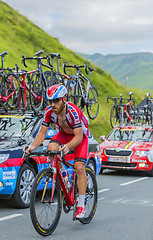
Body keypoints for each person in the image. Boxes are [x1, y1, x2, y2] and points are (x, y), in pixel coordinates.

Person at [23, 84, 89, 219]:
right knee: (51, 148)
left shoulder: (73, 111)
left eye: (56, 100)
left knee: (79, 167)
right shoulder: (49, 112)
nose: (53, 104)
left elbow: (78, 136)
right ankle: (64, 175)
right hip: (64, 133)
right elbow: (42, 133)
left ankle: (81, 205)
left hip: (79, 137)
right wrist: (32, 147)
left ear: (64, 100)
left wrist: (68, 146)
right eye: (50, 101)